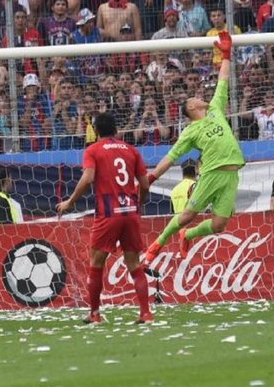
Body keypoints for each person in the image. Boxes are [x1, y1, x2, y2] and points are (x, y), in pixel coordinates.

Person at [144, 31, 245, 263]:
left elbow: (223, 80)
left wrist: (226, 54)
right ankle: (156, 245)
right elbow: (171, 157)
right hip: (211, 173)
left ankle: (187, 235)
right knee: (188, 214)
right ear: (191, 107)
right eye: (196, 98)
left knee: (219, 225)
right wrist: (152, 177)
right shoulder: (190, 131)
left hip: (231, 175)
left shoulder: (215, 109)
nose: (201, 96)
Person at [56, 112, 153, 325]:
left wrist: (70, 202)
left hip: (108, 214)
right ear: (116, 130)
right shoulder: (131, 150)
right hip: (130, 213)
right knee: (134, 264)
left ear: (96, 131)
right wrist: (139, 204)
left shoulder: (93, 150)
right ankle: (146, 314)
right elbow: (144, 184)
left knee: (96, 263)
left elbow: (88, 177)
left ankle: (94, 313)